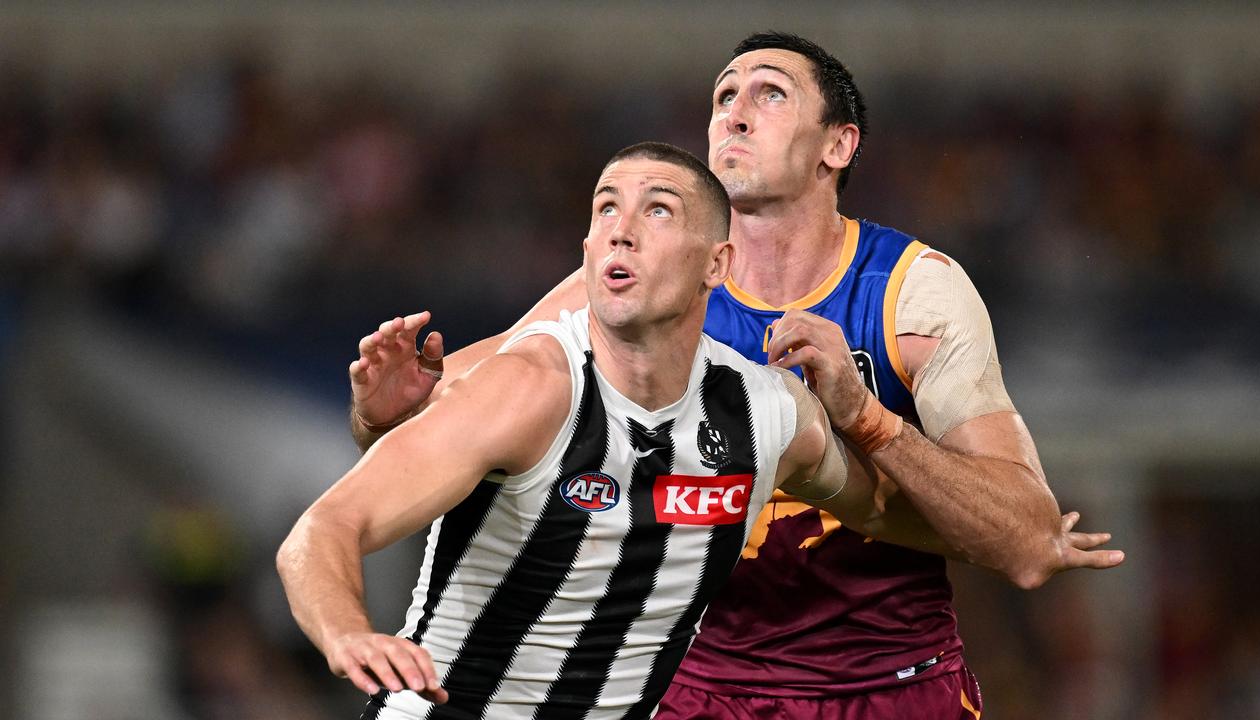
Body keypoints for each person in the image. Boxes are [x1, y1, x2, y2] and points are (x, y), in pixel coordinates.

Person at [345, 34, 1124, 718]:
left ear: (838, 145)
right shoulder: (635, 283)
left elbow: (1027, 543)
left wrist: (867, 417)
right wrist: (379, 413)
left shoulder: (912, 296)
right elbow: (432, 417)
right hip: (689, 686)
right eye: (723, 97)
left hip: (888, 683)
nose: (734, 113)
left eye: (769, 93)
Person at [279, 142, 937, 719]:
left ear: (717, 264)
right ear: (588, 251)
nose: (622, 231)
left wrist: (872, 421)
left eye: (658, 211)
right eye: (605, 209)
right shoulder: (528, 389)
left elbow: (893, 513)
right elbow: (324, 528)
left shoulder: (767, 413)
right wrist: (348, 634)